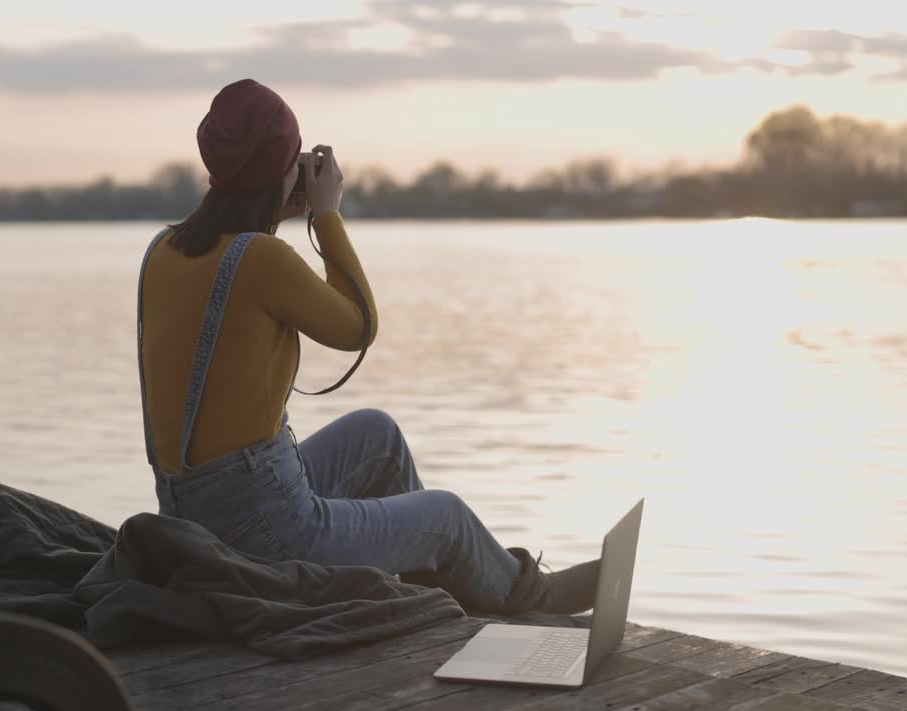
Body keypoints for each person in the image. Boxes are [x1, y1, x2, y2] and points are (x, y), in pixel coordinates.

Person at [137, 78, 599, 614]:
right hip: (265, 535)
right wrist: (327, 214)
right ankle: (528, 597)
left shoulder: (163, 250)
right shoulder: (263, 260)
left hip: (192, 519)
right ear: (281, 172)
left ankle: (445, 588)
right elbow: (358, 325)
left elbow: (240, 280)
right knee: (445, 516)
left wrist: (274, 208)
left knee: (376, 434)